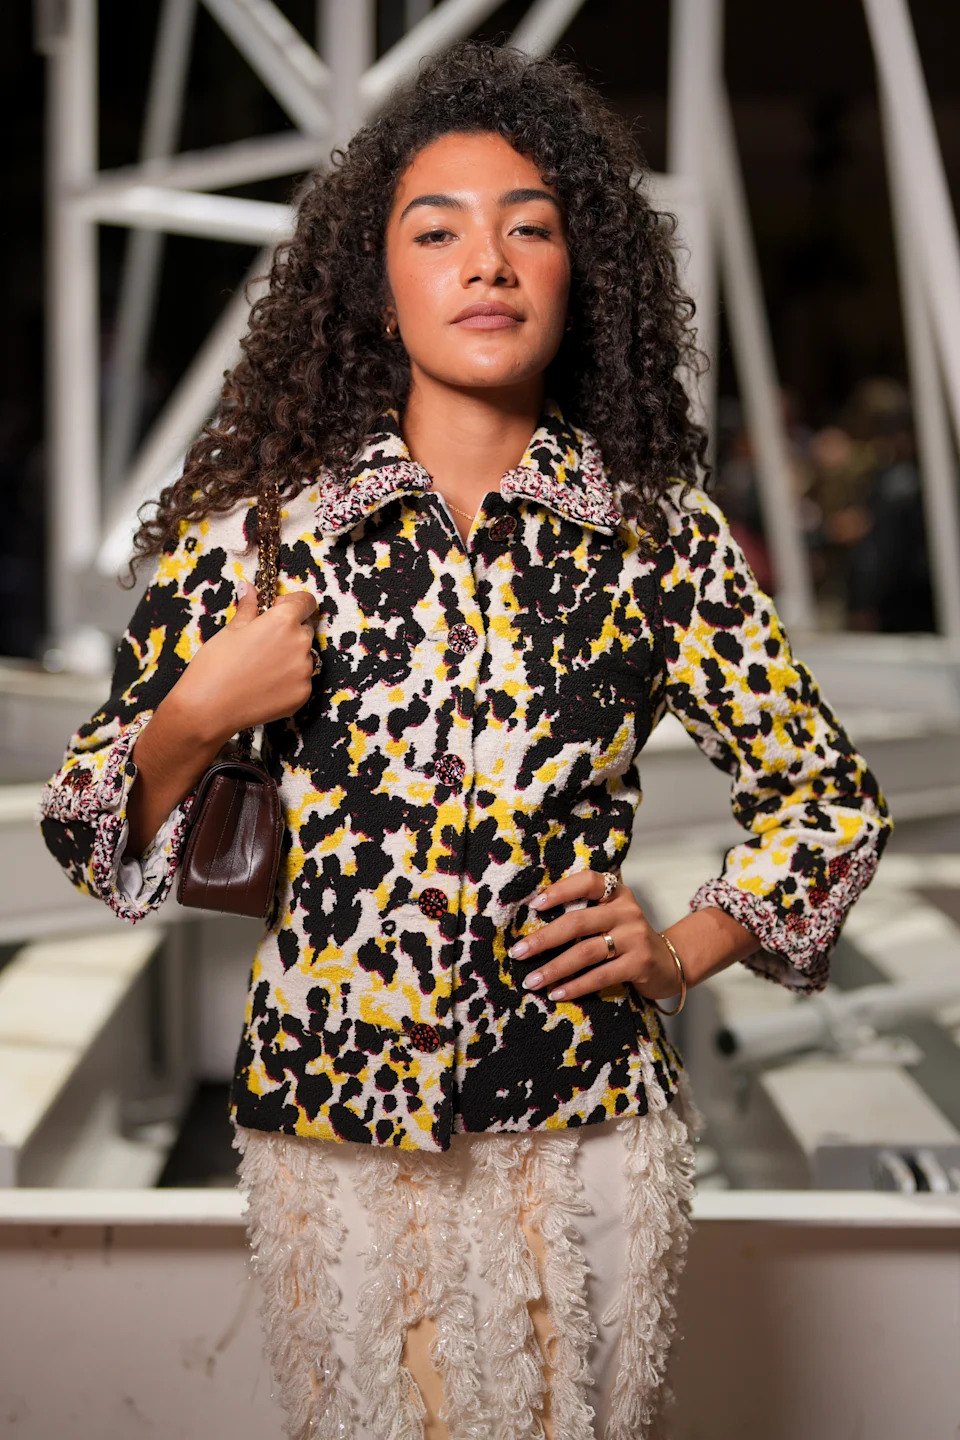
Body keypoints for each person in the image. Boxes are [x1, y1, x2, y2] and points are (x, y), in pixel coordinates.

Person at [38, 40, 894, 1440]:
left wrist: (679, 950)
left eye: (529, 230)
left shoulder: (658, 546)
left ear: (580, 275)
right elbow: (87, 830)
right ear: (377, 286)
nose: (485, 261)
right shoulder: (260, 538)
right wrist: (201, 707)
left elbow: (829, 805)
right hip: (331, 1126)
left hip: (587, 1123)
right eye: (437, 231)